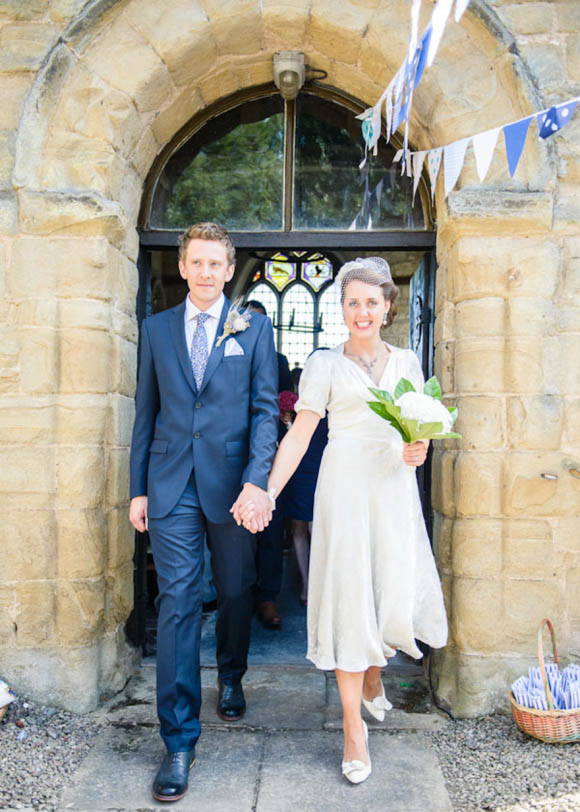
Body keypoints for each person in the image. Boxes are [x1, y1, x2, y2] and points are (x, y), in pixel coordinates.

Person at [237, 257, 447, 785]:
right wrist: (266, 492)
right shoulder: (324, 364)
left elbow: (416, 431)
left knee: (390, 597)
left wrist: (418, 449)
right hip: (344, 491)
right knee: (352, 600)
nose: (361, 311)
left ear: (387, 308)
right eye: (351, 302)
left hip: (393, 492)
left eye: (371, 302)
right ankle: (354, 728)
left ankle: (375, 675)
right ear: (342, 308)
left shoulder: (408, 362)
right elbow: (301, 435)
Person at [129, 222, 278, 802]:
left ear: (229, 267)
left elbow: (266, 412)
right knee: (178, 602)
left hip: (234, 486)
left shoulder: (254, 329)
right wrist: (138, 489)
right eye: (198, 262)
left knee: (238, 588)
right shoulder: (157, 329)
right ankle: (179, 739)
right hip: (170, 486)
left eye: (217, 263)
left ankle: (233, 675)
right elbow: (147, 412)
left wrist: (256, 481)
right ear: (184, 265)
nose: (207, 272)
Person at [243, 299, 291, 629]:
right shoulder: (225, 350)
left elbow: (283, 399)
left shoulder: (279, 360)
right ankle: (239, 595)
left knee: (271, 527)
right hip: (230, 451)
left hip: (271, 451)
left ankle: (269, 597)